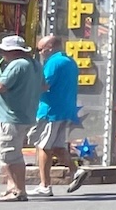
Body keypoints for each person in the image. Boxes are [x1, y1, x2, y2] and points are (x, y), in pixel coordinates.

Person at [0, 36, 42, 203]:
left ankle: (19, 190)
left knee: (10, 154)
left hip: (13, 115)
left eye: (4, 51)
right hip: (23, 113)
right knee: (8, 153)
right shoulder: (35, 64)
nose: (2, 54)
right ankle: (12, 187)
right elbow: (44, 86)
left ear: (13, 51)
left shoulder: (18, 64)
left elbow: (0, 86)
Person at [32, 35, 82, 197]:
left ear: (50, 48)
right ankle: (76, 170)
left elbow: (44, 85)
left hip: (50, 110)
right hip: (66, 109)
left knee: (44, 146)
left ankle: (45, 185)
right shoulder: (70, 61)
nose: (40, 53)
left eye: (40, 49)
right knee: (57, 147)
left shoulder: (53, 62)